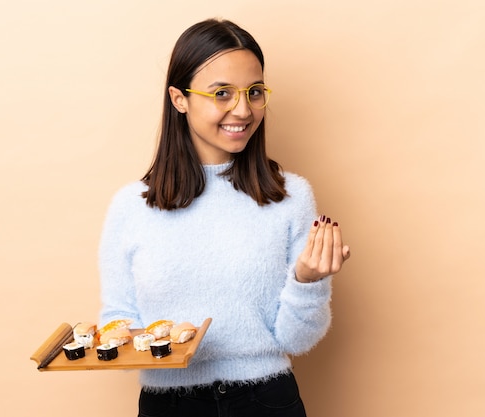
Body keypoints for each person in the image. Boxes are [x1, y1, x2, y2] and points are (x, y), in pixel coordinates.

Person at [98, 18, 350, 417]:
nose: (243, 109)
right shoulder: (131, 207)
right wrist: (142, 342)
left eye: (254, 92)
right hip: (168, 405)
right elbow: (118, 320)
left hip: (267, 400)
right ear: (179, 99)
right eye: (222, 93)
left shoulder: (291, 196)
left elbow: (296, 340)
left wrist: (308, 282)